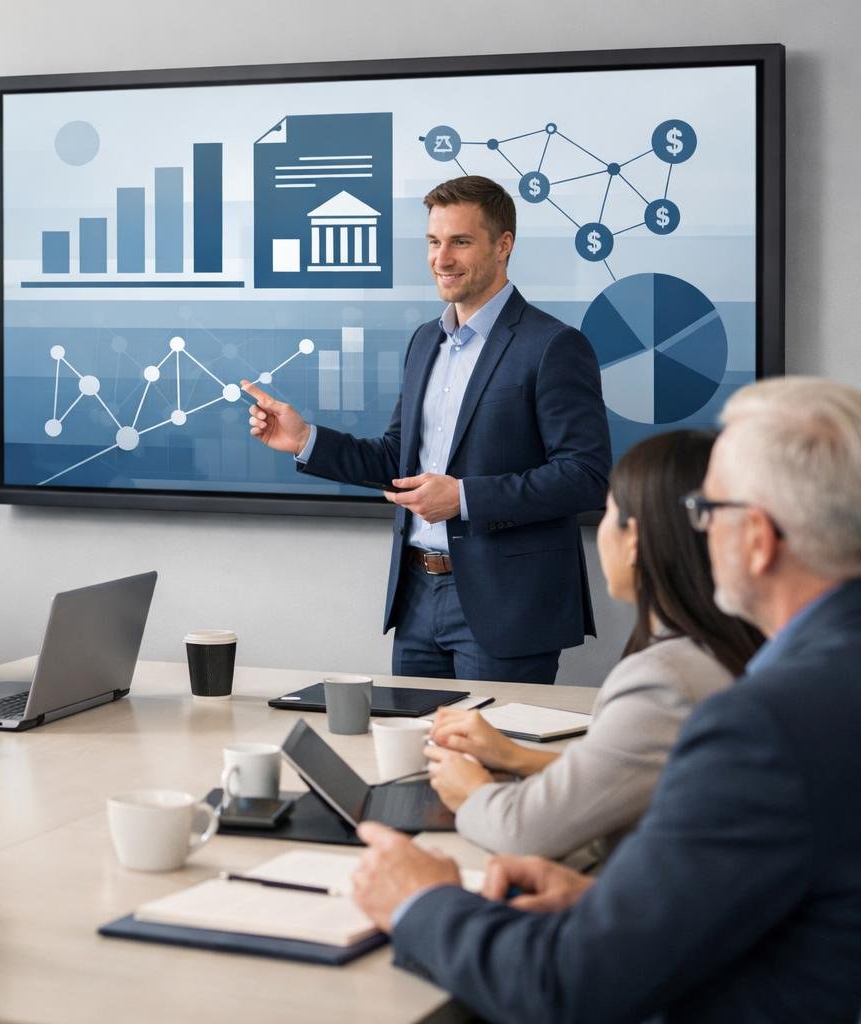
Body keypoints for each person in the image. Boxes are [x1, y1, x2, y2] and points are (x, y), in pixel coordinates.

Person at [349, 377, 861, 1022]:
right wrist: (605, 901)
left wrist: (419, 902)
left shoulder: (764, 726)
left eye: (707, 512)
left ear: (757, 540)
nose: (695, 534)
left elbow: (566, 987)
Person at [243, 175, 611, 684]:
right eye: (434, 242)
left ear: (504, 246)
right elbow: (399, 459)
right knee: (413, 755)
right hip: (416, 597)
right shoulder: (424, 342)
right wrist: (305, 440)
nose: (442, 259)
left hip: (505, 605)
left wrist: (463, 498)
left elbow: (586, 477)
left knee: (489, 759)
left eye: (461, 241)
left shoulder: (553, 346)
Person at [423, 429, 763, 860]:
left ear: (634, 539)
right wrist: (515, 756)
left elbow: (522, 832)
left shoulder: (665, 680)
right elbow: (635, 775)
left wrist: (472, 789)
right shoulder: (732, 647)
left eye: (608, 514)